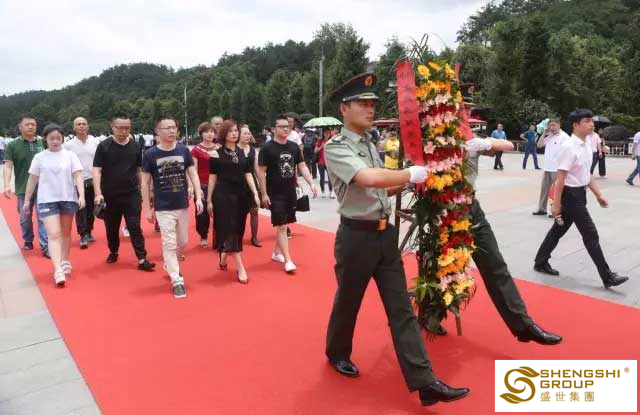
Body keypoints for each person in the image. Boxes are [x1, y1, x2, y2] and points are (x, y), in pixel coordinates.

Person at [323, 73, 469, 407]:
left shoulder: (369, 143)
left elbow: (381, 187)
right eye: (363, 103)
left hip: (384, 236)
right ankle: (337, 352)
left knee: (401, 308)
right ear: (344, 108)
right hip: (356, 238)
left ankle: (424, 381)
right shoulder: (337, 146)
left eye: (372, 104)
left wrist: (411, 181)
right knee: (348, 301)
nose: (370, 109)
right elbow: (366, 178)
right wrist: (407, 173)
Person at [460, 136, 562, 344]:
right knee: (442, 270)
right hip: (443, 211)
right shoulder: (431, 141)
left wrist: (484, 143)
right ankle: (429, 316)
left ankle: (523, 325)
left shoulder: (470, 142)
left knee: (495, 265)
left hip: (470, 208)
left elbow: (507, 145)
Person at [533, 109, 628, 288]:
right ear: (576, 125)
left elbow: (587, 174)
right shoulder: (569, 147)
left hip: (579, 194)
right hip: (571, 196)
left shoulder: (587, 146)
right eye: (587, 121)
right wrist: (556, 204)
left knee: (558, 230)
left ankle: (540, 261)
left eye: (591, 121)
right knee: (590, 233)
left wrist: (599, 195)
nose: (591, 124)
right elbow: (560, 178)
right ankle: (607, 276)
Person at [142, 116, 203, 298]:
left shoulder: (183, 150)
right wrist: (147, 208)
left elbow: (193, 174)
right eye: (167, 128)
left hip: (182, 204)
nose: (171, 131)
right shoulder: (151, 154)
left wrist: (198, 196)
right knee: (169, 242)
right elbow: (145, 183)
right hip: (163, 206)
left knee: (182, 242)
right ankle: (177, 280)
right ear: (157, 132)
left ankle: (170, 264)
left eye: (174, 127)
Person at [23, 124, 85, 286]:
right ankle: (57, 269)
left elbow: (78, 175)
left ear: (62, 138)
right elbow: (33, 179)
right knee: (54, 234)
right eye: (52, 138)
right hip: (47, 199)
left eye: (58, 138)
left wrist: (81, 195)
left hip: (67, 197)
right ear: (46, 139)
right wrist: (27, 200)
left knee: (65, 232)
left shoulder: (70, 155)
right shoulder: (40, 157)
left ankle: (64, 260)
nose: (55, 141)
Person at [93, 113, 155, 271]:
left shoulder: (136, 146)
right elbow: (97, 171)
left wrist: (145, 190)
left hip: (131, 194)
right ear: (112, 127)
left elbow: (139, 170)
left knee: (134, 226)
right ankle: (113, 251)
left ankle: (142, 258)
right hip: (110, 195)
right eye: (120, 128)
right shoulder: (104, 146)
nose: (124, 131)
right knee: (112, 228)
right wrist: (98, 193)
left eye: (127, 128)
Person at [258, 114, 318, 273]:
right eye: (282, 126)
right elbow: (261, 172)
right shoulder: (267, 148)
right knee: (282, 226)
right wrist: (263, 194)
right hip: (274, 192)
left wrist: (311, 182)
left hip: (290, 191)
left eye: (288, 127)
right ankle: (288, 259)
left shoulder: (293, 146)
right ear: (273, 129)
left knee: (284, 224)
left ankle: (277, 252)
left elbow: (302, 165)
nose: (286, 129)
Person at [207, 121, 260, 284]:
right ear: (224, 134)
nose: (234, 133)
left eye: (236, 131)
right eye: (230, 131)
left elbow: (248, 174)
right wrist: (208, 200)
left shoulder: (242, 153)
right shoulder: (215, 154)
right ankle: (240, 266)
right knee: (229, 227)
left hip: (242, 195)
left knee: (238, 228)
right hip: (223, 195)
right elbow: (212, 178)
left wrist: (255, 193)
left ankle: (224, 255)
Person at [3, 115, 49, 257]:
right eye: (27, 124)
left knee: (43, 217)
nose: (31, 127)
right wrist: (6, 184)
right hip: (23, 188)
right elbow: (8, 166)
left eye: (33, 124)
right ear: (20, 127)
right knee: (25, 218)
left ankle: (45, 246)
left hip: (43, 188)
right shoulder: (12, 145)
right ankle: (28, 240)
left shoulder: (43, 142)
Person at [64, 117, 100, 248]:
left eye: (84, 124)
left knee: (91, 208)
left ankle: (89, 231)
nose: (81, 126)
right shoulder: (68, 145)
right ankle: (83, 233)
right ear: (74, 127)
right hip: (77, 182)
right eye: (78, 124)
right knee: (80, 208)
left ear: (88, 126)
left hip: (93, 180)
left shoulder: (95, 142)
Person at [532, 119, 570, 216]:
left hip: (557, 168)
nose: (552, 128)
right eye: (550, 126)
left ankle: (557, 209)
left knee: (557, 190)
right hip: (547, 167)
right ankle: (541, 209)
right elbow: (539, 145)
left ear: (559, 125)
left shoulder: (564, 137)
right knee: (544, 189)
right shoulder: (549, 136)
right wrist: (544, 133)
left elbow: (569, 152)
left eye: (553, 125)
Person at [191, 122, 217, 247]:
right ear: (201, 134)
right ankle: (203, 235)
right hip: (202, 185)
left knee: (221, 211)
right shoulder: (196, 150)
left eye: (212, 131)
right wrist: (196, 188)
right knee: (202, 213)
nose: (210, 134)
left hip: (218, 185)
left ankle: (219, 236)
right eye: (206, 132)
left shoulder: (220, 148)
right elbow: (194, 171)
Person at [238, 124, 262, 247]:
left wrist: (262, 186)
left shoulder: (253, 150)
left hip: (252, 183)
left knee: (254, 211)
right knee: (239, 212)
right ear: (238, 135)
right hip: (238, 183)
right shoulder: (233, 149)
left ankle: (254, 237)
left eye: (249, 133)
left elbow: (257, 170)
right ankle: (237, 237)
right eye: (245, 133)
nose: (247, 136)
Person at [315, 128, 335, 198]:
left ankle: (331, 192)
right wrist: (322, 145)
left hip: (329, 162)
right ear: (323, 134)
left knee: (330, 178)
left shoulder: (332, 141)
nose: (327, 134)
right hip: (321, 162)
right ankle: (323, 192)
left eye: (328, 133)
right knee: (322, 178)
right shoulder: (320, 141)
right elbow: (315, 151)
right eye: (325, 133)